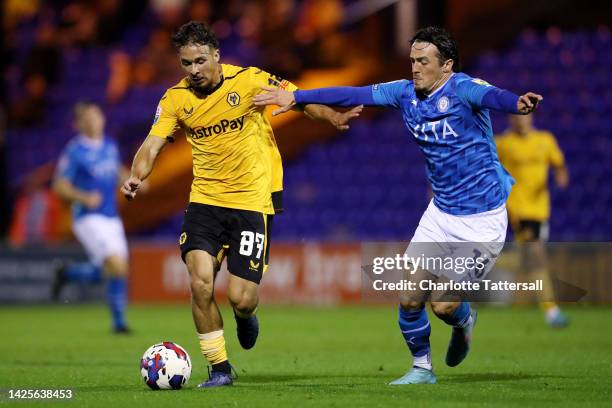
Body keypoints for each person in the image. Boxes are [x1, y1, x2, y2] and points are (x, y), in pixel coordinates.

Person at [254, 26, 543, 384]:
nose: (416, 68)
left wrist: (517, 103)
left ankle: (464, 321)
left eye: (424, 61)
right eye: (412, 61)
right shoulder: (404, 93)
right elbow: (353, 93)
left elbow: (494, 97)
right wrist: (297, 98)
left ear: (447, 65)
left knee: (443, 304)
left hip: (482, 220)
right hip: (440, 215)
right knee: (409, 297)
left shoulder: (464, 88)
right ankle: (422, 368)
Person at [120, 21, 360, 388]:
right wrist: (138, 176)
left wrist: (332, 116)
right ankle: (219, 369)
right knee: (200, 283)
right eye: (186, 63)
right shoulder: (174, 99)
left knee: (241, 298)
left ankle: (247, 316)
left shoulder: (249, 81)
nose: (194, 70)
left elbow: (297, 100)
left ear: (217, 55)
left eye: (200, 60)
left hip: (252, 201)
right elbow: (152, 143)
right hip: (204, 201)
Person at [53, 101, 131, 334]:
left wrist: (132, 180)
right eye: (88, 118)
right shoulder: (74, 151)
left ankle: (67, 273)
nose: (94, 121)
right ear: (79, 124)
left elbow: (115, 171)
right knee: (117, 265)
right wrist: (84, 197)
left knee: (113, 270)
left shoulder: (109, 145)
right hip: (88, 217)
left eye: (97, 116)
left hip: (111, 217)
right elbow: (59, 186)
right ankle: (119, 324)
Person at [495, 113, 569, 327]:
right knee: (536, 255)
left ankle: (472, 263)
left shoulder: (545, 140)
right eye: (517, 117)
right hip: (518, 210)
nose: (521, 120)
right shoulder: (503, 143)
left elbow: (559, 164)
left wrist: (561, 175)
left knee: (524, 261)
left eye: (524, 116)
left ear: (531, 118)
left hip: (541, 210)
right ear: (511, 120)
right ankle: (551, 311)